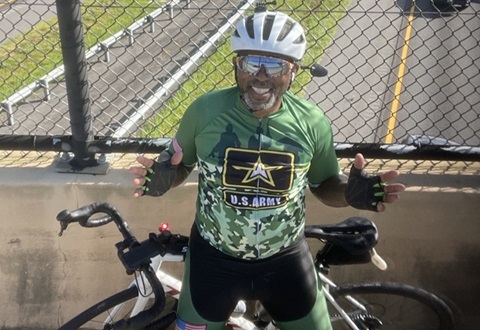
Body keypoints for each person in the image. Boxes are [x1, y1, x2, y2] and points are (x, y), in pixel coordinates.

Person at [129, 10, 405, 330]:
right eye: (250, 62)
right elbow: (179, 164)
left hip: (285, 260)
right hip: (213, 260)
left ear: (293, 71)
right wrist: (164, 178)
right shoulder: (203, 112)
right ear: (236, 65)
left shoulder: (312, 121)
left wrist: (348, 192)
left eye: (274, 65)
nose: (260, 76)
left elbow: (324, 183)